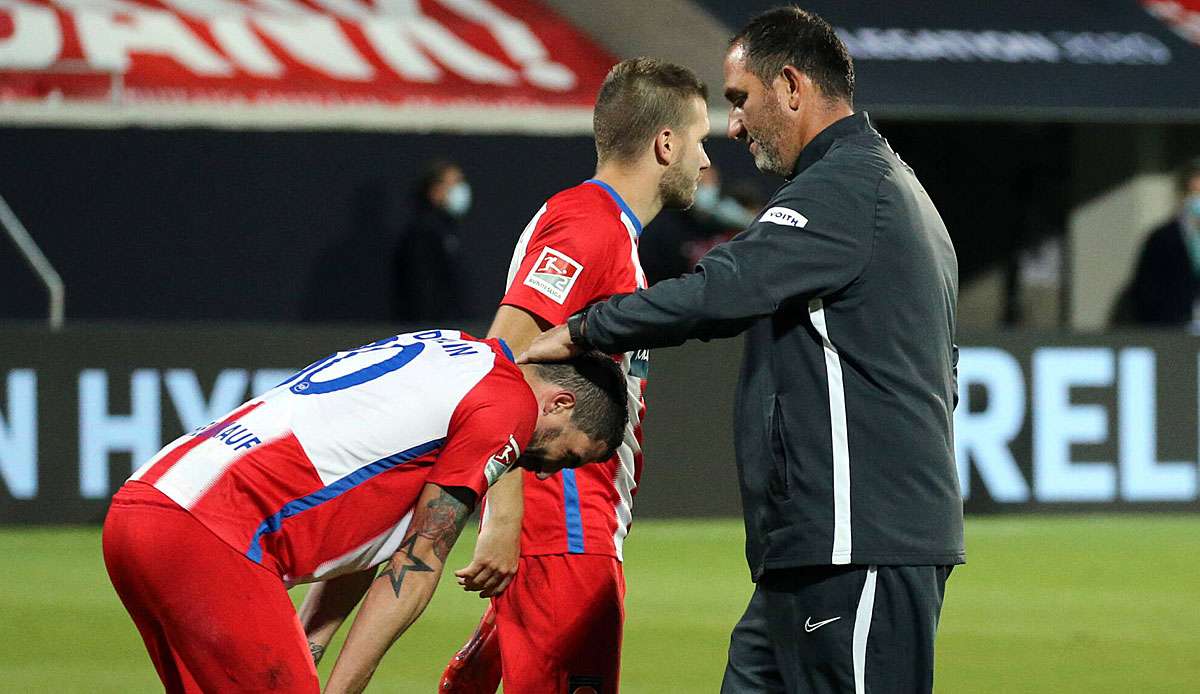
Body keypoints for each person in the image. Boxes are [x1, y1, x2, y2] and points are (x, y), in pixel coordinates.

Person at [522, 8, 964, 693]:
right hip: (821, 545)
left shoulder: (848, 185)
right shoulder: (884, 188)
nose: (732, 127)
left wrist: (586, 327)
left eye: (739, 100)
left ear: (791, 86)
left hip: (858, 543)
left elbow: (723, 289)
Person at [101, 329, 627, 694]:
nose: (543, 471)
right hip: (217, 533)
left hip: (147, 503)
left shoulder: (452, 352)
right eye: (568, 454)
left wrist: (311, 643)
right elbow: (415, 566)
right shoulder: (509, 408)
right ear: (560, 402)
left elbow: (375, 537)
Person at [440, 57, 711, 694]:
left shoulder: (600, 226)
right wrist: (504, 517)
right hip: (563, 529)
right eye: (699, 140)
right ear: (664, 144)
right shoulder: (590, 228)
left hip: (567, 530)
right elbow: (500, 362)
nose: (705, 160)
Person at [392, 160, 472, 322]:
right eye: (455, 183)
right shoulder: (422, 232)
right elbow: (422, 290)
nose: (462, 188)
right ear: (435, 191)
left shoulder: (448, 230)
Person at [1126, 157, 1200, 327]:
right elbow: (1146, 294)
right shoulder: (1162, 238)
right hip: (1175, 332)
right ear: (1183, 195)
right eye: (1195, 194)